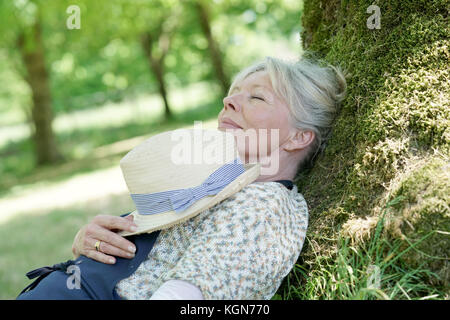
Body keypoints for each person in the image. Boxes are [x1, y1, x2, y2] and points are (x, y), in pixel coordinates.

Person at [19, 55, 346, 300]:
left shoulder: (265, 208)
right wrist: (86, 245)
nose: (228, 101)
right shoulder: (206, 184)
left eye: (256, 97)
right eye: (233, 93)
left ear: (298, 137)